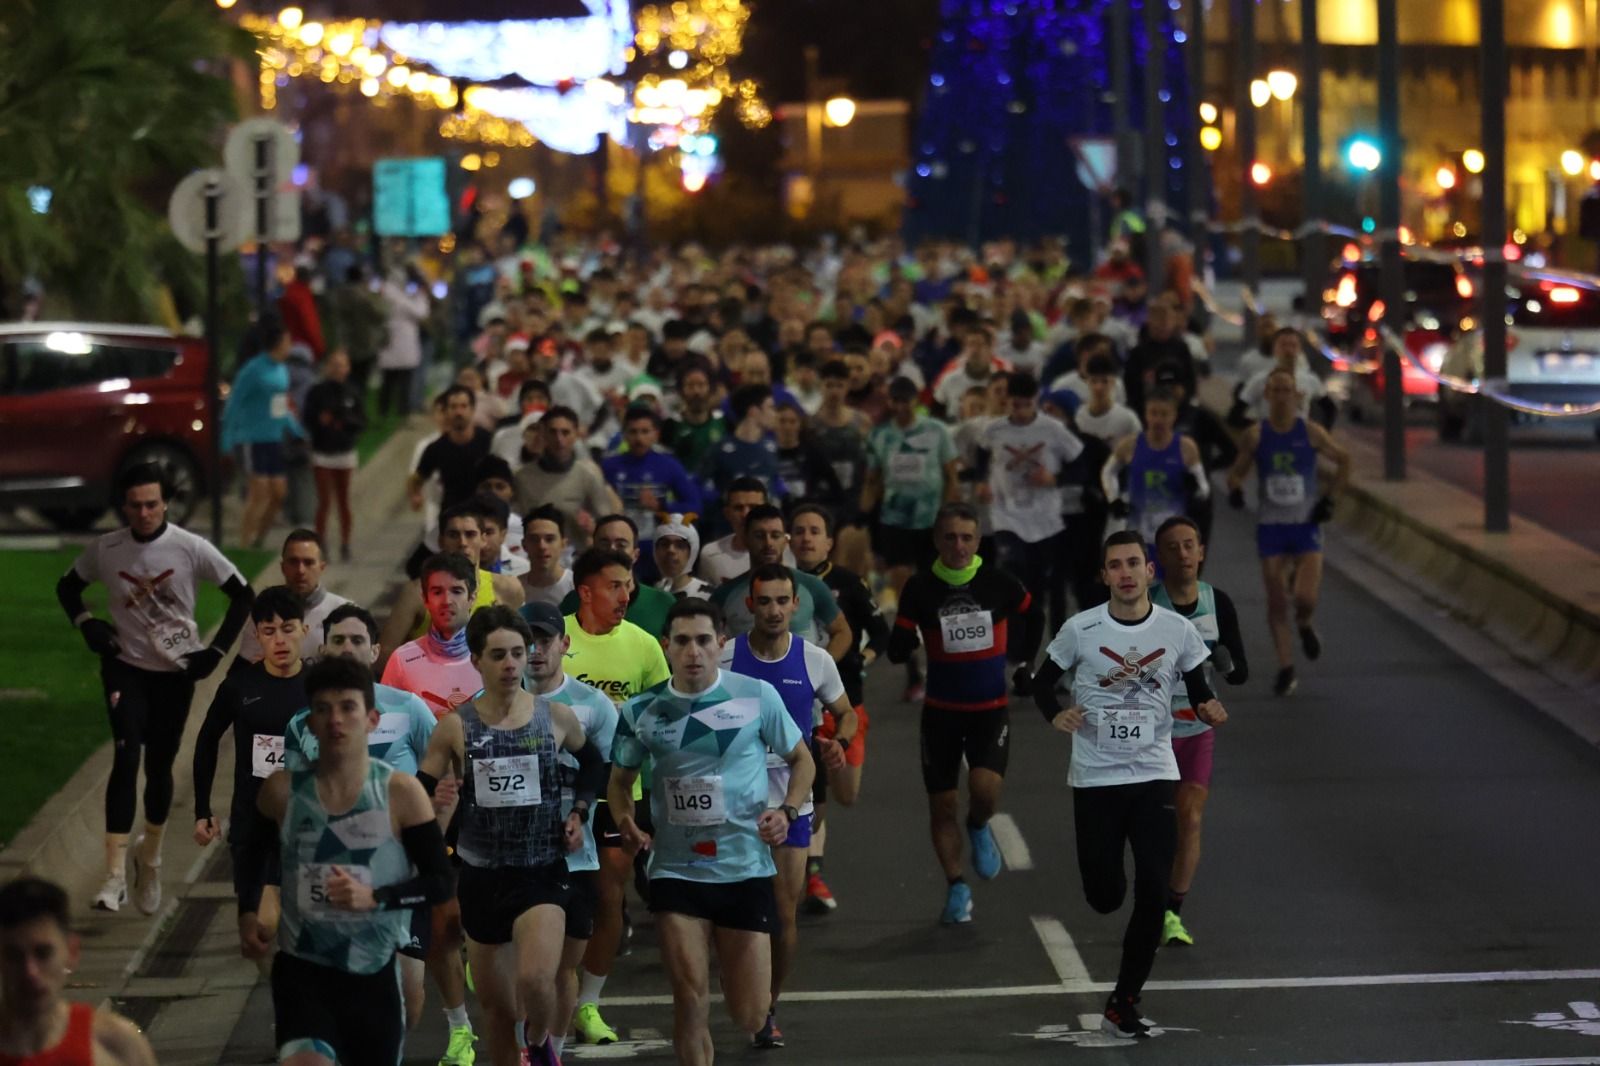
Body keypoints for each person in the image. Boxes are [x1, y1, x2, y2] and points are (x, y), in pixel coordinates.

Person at [1030, 531, 1228, 1039]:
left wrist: (1207, 705)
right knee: (1104, 894)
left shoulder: (1177, 629)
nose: (1124, 572)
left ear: (1148, 572)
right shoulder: (1082, 628)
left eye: (1133, 563)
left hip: (1154, 774)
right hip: (1096, 777)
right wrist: (1057, 713)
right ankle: (1108, 896)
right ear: (1104, 576)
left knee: (1154, 889)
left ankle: (1123, 1001)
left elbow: (1198, 683)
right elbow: (1039, 681)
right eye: (1115, 565)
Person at [608, 599, 816, 1066]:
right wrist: (625, 821)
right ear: (667, 646)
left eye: (704, 640)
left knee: (750, 1012)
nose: (693, 652)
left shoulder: (756, 696)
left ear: (720, 644)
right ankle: (702, 976)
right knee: (689, 1001)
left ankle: (731, 968)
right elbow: (619, 784)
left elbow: (803, 760)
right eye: (682, 641)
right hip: (677, 872)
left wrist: (785, 811)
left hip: (744, 868)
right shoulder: (642, 709)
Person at [55, 463, 255, 913]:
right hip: (125, 667)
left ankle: (152, 857)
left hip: (175, 672)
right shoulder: (106, 548)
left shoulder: (190, 547)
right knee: (126, 757)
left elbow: (243, 594)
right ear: (122, 506)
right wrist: (87, 624)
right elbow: (67, 587)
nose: (144, 513)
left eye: (151, 504)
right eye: (134, 505)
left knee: (160, 766)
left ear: (166, 502)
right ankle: (112, 877)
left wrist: (216, 652)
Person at [235, 658, 454, 1066]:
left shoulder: (401, 793)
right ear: (309, 722)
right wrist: (248, 910)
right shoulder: (282, 791)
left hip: (373, 973)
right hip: (303, 972)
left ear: (371, 719)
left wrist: (375, 897)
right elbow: (252, 850)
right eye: (323, 709)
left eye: (348, 708)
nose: (335, 720)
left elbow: (439, 883)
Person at [416, 608, 606, 1066]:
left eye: (518, 654)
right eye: (498, 655)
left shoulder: (555, 718)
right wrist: (432, 816)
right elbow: (418, 790)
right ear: (477, 660)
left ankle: (540, 1041)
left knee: (538, 980)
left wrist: (580, 811)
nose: (510, 665)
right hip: (481, 878)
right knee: (498, 1014)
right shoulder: (455, 727)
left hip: (542, 870)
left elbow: (596, 766)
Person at [282, 603, 438, 1030]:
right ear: (324, 648)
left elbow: (440, 773)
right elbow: (291, 805)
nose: (348, 649)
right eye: (338, 640)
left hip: (397, 877)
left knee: (406, 992)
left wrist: (431, 829)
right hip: (325, 883)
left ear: (375, 651)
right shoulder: (301, 724)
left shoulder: (411, 709)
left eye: (357, 641)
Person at [718, 566, 855, 1048]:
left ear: (795, 605)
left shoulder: (815, 659)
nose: (774, 610)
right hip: (734, 794)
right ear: (750, 606)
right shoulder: (726, 657)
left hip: (792, 791)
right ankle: (742, 986)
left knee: (783, 908)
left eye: (783, 600)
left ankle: (768, 1006)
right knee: (731, 905)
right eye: (765, 601)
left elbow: (846, 713)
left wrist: (838, 741)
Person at [887, 503, 1040, 923]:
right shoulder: (920, 588)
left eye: (967, 538)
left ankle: (978, 825)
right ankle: (956, 886)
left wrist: (1026, 663)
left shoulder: (998, 583)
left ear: (977, 541)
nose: (958, 545)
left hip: (989, 710)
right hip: (941, 713)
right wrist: (899, 644)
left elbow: (1034, 612)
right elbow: (900, 639)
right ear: (937, 540)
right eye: (950, 537)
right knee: (941, 805)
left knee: (985, 791)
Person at [557, 549, 672, 1043]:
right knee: (553, 897)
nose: (626, 595)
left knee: (608, 897)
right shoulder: (554, 640)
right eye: (615, 586)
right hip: (554, 792)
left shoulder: (644, 646)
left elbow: (667, 716)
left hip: (620, 790)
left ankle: (588, 1003)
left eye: (629, 586)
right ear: (586, 592)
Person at [510, 603, 620, 1055]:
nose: (535, 651)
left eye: (545, 640)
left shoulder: (594, 707)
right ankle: (523, 1050)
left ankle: (551, 1049)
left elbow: (610, 776)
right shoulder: (501, 701)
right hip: (516, 856)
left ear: (565, 644)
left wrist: (585, 817)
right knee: (526, 966)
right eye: (526, 642)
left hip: (577, 855)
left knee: (562, 968)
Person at [1148, 517, 1247, 948]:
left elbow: (1241, 673)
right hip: (1147, 734)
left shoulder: (1217, 603)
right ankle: (1149, 901)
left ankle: (1171, 913)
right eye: (1173, 547)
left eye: (1190, 545)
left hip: (1194, 730)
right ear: (1160, 557)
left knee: (1189, 819)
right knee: (1153, 827)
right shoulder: (1145, 605)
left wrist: (1224, 663)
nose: (1184, 554)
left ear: (1202, 552)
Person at [192, 586, 309, 947]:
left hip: (304, 821)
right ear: (257, 636)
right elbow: (207, 740)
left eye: (288, 629)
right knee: (256, 929)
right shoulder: (239, 686)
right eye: (269, 632)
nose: (280, 640)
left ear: (304, 629)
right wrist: (202, 809)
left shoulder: (321, 687)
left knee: (280, 923)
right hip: (251, 821)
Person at [1226, 368, 1351, 697]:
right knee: (1277, 600)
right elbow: (1235, 472)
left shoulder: (1311, 432)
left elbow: (1344, 460)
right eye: (1276, 390)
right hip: (1271, 527)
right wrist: (1236, 489)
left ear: (1297, 396)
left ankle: (1306, 624)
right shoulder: (1256, 435)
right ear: (1267, 395)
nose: (1281, 396)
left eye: (1287, 391)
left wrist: (1330, 501)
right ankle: (1286, 667)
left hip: (1305, 525)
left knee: (1305, 597)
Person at [788, 503, 883, 912]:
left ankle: (807, 863)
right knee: (807, 790)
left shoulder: (848, 583)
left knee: (845, 794)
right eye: (800, 531)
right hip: (797, 703)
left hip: (844, 702)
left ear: (829, 541)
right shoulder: (779, 585)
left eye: (815, 531)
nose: (807, 538)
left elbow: (880, 631)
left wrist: (865, 659)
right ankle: (810, 873)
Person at [975, 371, 1086, 673]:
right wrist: (982, 482)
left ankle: (1034, 655)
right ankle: (1014, 652)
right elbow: (981, 457)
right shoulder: (994, 429)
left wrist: (1055, 478)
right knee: (1013, 576)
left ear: (1035, 401)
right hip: (1006, 516)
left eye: (1026, 405)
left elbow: (1081, 464)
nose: (1020, 412)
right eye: (1015, 405)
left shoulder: (1052, 429)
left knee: (1038, 590)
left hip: (1045, 519)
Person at [863, 376, 960, 701]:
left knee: (937, 595)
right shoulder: (880, 435)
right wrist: (865, 523)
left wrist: (950, 519)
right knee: (906, 594)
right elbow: (873, 481)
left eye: (907, 400)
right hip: (895, 522)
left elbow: (950, 474)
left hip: (930, 522)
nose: (902, 407)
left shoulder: (937, 431)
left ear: (916, 400)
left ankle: (942, 665)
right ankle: (914, 670)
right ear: (890, 401)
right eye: (897, 400)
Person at [0, 876, 158, 1065]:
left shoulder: (117, 1045)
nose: (30, 972)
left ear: (71, 951)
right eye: (14, 956)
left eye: (43, 954)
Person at [380, 503, 521, 662]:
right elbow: (385, 655)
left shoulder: (507, 589)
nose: (462, 543)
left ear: (483, 539)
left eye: (470, 534)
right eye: (453, 535)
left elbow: (519, 649)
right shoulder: (415, 592)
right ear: (441, 541)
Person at [709, 506, 852, 660]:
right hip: (746, 682)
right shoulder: (724, 594)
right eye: (759, 536)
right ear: (745, 539)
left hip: (799, 682)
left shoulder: (811, 586)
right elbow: (707, 639)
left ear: (785, 540)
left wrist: (820, 672)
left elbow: (842, 632)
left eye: (775, 535)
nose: (768, 543)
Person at [223, 318, 308, 548]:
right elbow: (234, 402)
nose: (290, 345)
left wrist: (296, 429)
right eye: (287, 341)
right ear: (277, 343)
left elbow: (280, 405)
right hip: (252, 438)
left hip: (274, 438)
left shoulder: (281, 369)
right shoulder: (253, 369)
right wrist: (227, 437)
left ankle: (259, 537)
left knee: (279, 493)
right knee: (259, 491)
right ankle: (245, 541)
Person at [380, 553, 485, 719]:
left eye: (457, 591)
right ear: (425, 599)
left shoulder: (493, 655)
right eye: (437, 592)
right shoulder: (401, 660)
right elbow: (388, 730)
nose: (447, 600)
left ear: (472, 598)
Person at [1102, 389, 1208, 545]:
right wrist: (1113, 498)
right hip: (1137, 534)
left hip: (1173, 537)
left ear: (1174, 416)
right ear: (1146, 414)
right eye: (1153, 413)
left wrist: (1195, 491)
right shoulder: (1130, 445)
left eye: (1164, 414)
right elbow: (1108, 472)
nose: (1158, 420)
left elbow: (1204, 488)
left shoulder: (1186, 448)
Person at [602, 406, 703, 567]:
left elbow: (694, 506)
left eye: (645, 431)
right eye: (633, 432)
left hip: (658, 547)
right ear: (624, 435)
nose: (639, 438)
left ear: (656, 434)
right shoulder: (609, 466)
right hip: (618, 547)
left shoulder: (668, 465)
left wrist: (661, 506)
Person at [512, 406, 621, 551]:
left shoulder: (587, 475)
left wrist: (592, 528)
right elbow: (513, 523)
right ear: (543, 433)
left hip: (577, 558)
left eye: (565, 432)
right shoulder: (522, 477)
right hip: (533, 557)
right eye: (553, 432)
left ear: (576, 434)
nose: (559, 439)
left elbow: (608, 526)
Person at [238, 530, 349, 664]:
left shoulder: (346, 614)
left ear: (322, 567)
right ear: (283, 567)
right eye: (293, 562)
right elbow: (243, 668)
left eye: (308, 562)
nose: (300, 570)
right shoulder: (263, 611)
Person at [558, 516, 676, 638]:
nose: (612, 550)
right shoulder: (574, 602)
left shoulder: (663, 603)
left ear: (635, 554)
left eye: (621, 545)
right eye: (604, 544)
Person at [301, 349, 366, 559]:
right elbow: (308, 418)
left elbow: (361, 421)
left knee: (343, 500)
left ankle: (345, 543)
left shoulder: (353, 392)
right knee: (324, 501)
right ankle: (321, 544)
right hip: (323, 453)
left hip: (345, 453)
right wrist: (321, 423)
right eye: (334, 364)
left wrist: (345, 423)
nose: (338, 369)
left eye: (342, 365)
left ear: (348, 368)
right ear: (328, 366)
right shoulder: (317, 392)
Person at [698, 384, 787, 506]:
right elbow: (699, 486)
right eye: (771, 407)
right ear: (753, 411)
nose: (775, 414)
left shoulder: (771, 447)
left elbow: (776, 482)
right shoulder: (719, 450)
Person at [408, 385, 493, 514]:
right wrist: (415, 495)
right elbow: (417, 478)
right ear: (447, 411)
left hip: (485, 512)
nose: (459, 412)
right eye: (453, 407)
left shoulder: (489, 441)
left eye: (463, 406)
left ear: (472, 409)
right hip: (452, 515)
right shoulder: (436, 448)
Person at [695, 478, 779, 587]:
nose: (746, 514)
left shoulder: (787, 548)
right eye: (739, 508)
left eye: (753, 507)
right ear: (727, 513)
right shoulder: (710, 554)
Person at [377, 267, 431, 416]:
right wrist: (421, 296)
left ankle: (398, 413)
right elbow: (420, 312)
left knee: (397, 382)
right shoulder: (393, 294)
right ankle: (389, 413)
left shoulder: (400, 294)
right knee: (392, 382)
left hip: (401, 346)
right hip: (395, 344)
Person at [519, 504, 575, 607]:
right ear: (524, 545)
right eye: (534, 539)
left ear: (563, 544)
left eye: (549, 539)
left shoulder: (577, 588)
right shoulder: (514, 589)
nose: (542, 546)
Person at [653, 514, 714, 600]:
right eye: (664, 544)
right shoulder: (653, 591)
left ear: (692, 553)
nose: (671, 550)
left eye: (680, 546)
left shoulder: (708, 596)